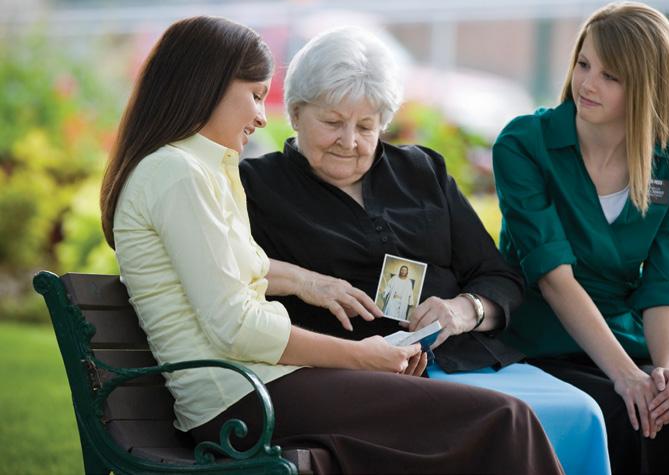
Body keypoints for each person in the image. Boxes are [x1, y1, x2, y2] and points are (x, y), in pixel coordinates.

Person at [99, 15, 563, 475]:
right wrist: (365, 356)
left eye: (366, 126)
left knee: (481, 429)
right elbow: (235, 327)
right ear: (209, 87)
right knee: (505, 419)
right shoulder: (179, 174)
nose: (263, 116)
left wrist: (305, 282)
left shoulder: (195, 170)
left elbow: (238, 269)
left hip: (257, 388)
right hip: (242, 399)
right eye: (257, 96)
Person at [240, 26, 610, 475]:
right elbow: (240, 278)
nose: (350, 141)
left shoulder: (421, 170)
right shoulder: (257, 187)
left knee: (583, 411)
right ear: (296, 114)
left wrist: (463, 310)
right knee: (502, 421)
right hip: (360, 378)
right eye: (333, 122)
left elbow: (501, 279)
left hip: (467, 361)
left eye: (366, 126)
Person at [492, 1, 669, 474]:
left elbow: (665, 279)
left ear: (646, 86)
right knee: (625, 413)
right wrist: (626, 378)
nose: (587, 83)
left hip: (621, 342)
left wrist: (665, 373)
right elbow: (554, 278)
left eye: (611, 75)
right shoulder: (523, 144)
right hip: (536, 342)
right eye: (583, 64)